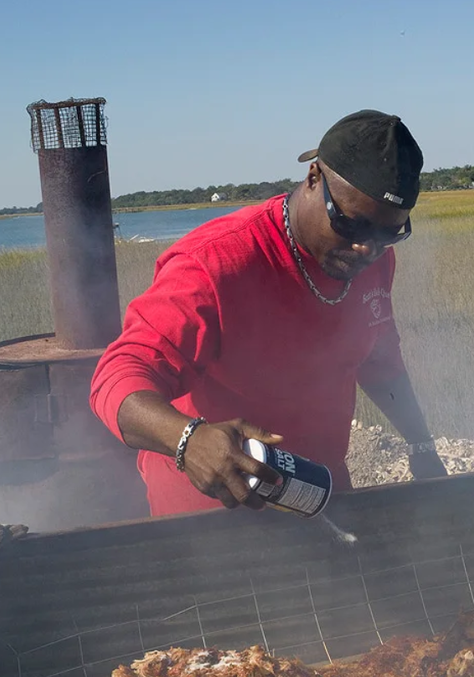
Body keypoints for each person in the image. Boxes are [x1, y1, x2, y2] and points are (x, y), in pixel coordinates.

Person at [90, 109, 447, 516]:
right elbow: (117, 375)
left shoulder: (372, 261)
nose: (368, 248)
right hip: (213, 512)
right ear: (314, 178)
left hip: (318, 494)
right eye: (353, 224)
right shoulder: (215, 264)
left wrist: (421, 445)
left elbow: (381, 360)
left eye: (390, 233)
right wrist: (187, 440)